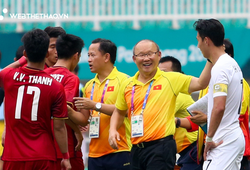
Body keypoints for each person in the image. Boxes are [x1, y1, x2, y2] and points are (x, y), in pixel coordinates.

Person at [108, 39, 212, 170]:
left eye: (150, 53)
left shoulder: (171, 79)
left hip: (161, 148)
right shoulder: (127, 84)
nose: (146, 58)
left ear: (159, 55)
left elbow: (201, 83)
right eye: (141, 55)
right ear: (134, 59)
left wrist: (210, 58)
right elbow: (119, 111)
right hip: (135, 149)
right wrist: (112, 130)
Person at [0, 29, 71, 169]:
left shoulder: (9, 77)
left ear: (25, 53)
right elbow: (59, 128)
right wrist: (65, 156)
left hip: (13, 156)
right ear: (46, 53)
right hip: (43, 155)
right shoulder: (56, 86)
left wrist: (22, 60)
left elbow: (2, 73)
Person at [68, 38, 131, 170]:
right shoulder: (89, 86)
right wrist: (68, 111)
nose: (89, 60)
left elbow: (126, 111)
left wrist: (95, 105)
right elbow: (84, 120)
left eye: (92, 55)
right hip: (94, 154)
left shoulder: (125, 81)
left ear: (106, 57)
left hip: (120, 150)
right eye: (88, 56)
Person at [194, 19, 245, 170]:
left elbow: (219, 107)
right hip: (232, 137)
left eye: (198, 40)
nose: (197, 46)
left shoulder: (221, 68)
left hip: (224, 141)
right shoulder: (230, 63)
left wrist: (208, 138)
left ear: (206, 40)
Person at [45, 34, 85, 170]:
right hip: (66, 146)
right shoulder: (70, 78)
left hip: (44, 146)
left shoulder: (43, 74)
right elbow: (63, 109)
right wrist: (77, 130)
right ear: (76, 56)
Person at [159, 56, 201, 170]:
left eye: (165, 72)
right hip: (183, 152)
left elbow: (156, 115)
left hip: (192, 149)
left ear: (178, 75)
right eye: (158, 72)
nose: (161, 76)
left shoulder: (178, 96)